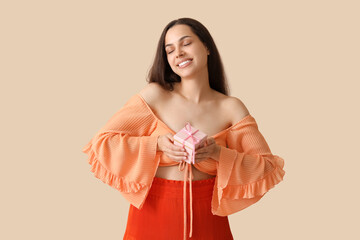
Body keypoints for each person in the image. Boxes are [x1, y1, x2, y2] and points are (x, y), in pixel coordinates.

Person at [82, 17, 285, 240]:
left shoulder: (231, 108)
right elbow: (103, 141)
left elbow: (266, 167)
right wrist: (157, 145)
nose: (178, 53)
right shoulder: (154, 96)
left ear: (206, 46)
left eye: (186, 43)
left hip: (208, 219)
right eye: (169, 50)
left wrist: (218, 154)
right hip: (151, 214)